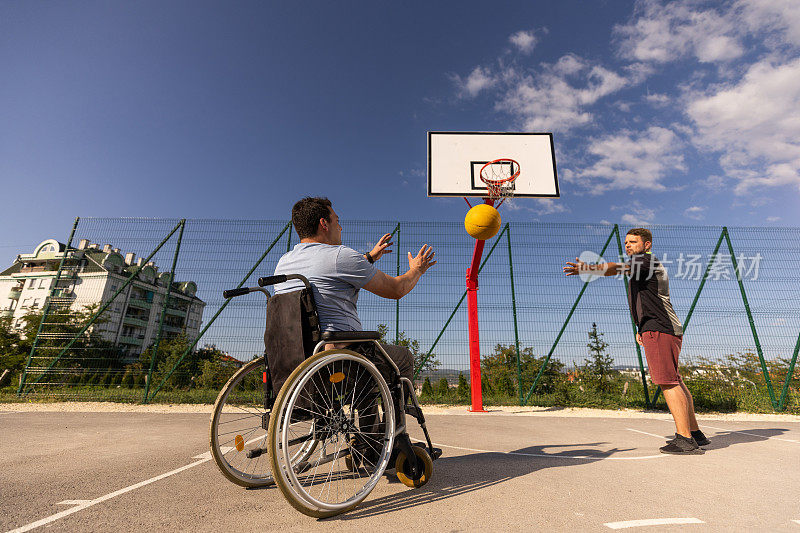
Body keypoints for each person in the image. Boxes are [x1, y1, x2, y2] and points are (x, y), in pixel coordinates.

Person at [563, 227, 709, 455]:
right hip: (660, 328)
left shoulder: (644, 261)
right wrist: (640, 328)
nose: (628, 245)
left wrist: (589, 268)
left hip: (660, 329)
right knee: (675, 380)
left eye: (633, 241)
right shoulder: (643, 266)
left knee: (668, 382)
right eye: (626, 243)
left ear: (647, 244)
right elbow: (645, 301)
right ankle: (695, 433)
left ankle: (685, 439)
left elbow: (617, 268)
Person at [273, 196, 437, 382]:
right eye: (337, 221)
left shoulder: (283, 263)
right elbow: (396, 289)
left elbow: (326, 271)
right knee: (403, 357)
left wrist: (369, 258)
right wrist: (417, 269)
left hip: (294, 355)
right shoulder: (340, 255)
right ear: (324, 224)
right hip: (337, 356)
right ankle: (388, 411)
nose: (340, 227)